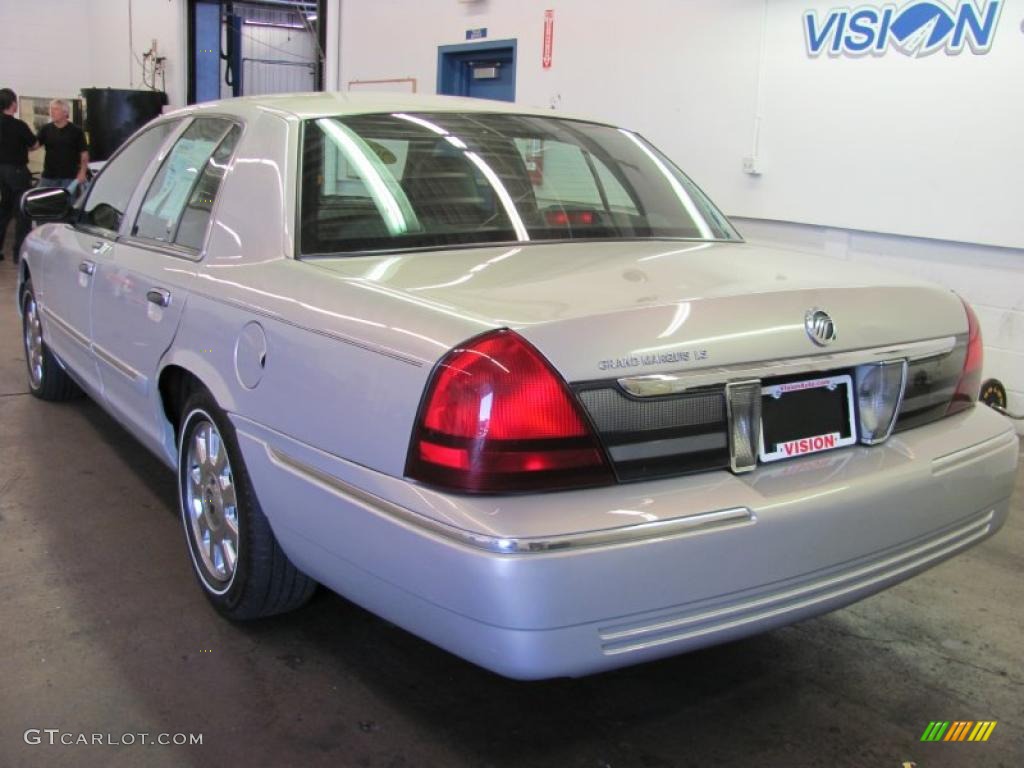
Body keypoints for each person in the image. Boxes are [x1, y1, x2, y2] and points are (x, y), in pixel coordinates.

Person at [0, 88, 39, 263]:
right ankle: (19, 252)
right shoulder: (18, 125)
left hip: (1, 172)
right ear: (13, 104)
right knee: (22, 212)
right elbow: (34, 144)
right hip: (16, 171)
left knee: (4, 211)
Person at [37, 98, 88, 192]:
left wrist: (82, 172)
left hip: (69, 177)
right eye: (51, 109)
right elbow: (35, 145)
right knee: (41, 201)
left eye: (56, 109)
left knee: (67, 204)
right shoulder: (46, 129)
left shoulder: (76, 131)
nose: (52, 112)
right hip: (49, 176)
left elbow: (84, 154)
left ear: (65, 112)